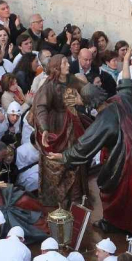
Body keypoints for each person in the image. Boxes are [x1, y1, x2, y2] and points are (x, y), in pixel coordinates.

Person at [47, 48, 132, 233]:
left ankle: (124, 225)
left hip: (125, 164)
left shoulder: (103, 121)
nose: (75, 98)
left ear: (87, 102)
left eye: (77, 96)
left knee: (118, 195)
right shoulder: (118, 100)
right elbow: (127, 85)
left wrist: (61, 156)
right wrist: (125, 62)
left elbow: (83, 148)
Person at [31, 54, 88, 207]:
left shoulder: (72, 80)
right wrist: (44, 129)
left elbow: (86, 91)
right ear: (57, 67)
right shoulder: (48, 86)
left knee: (76, 158)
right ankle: (58, 199)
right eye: (64, 63)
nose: (68, 65)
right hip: (57, 127)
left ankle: (76, 196)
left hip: (72, 123)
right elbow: (41, 107)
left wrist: (86, 97)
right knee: (57, 162)